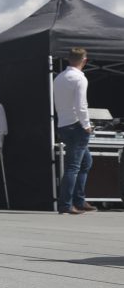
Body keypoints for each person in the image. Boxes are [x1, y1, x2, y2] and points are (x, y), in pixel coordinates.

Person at [53, 47, 96, 215]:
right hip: (77, 125)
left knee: (85, 162)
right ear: (84, 60)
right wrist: (86, 125)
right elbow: (81, 105)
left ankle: (79, 200)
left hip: (63, 124)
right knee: (74, 166)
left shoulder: (59, 77)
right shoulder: (80, 78)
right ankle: (66, 204)